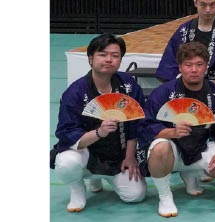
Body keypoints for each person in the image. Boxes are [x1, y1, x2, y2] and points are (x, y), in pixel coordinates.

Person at [52, 34, 147, 212]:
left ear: (120, 60)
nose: (109, 59)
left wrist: (130, 156)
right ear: (90, 58)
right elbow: (66, 132)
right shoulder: (75, 92)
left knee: (135, 195)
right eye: (102, 54)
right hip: (85, 153)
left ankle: (101, 177)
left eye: (115, 55)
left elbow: (136, 124)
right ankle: (77, 187)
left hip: (118, 156)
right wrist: (99, 133)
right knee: (66, 163)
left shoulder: (128, 85)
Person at [139, 42, 215, 217]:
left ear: (206, 66)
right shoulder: (163, 93)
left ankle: (191, 172)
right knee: (160, 148)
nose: (194, 70)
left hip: (200, 147)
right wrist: (172, 133)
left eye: (199, 64)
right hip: (172, 150)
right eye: (188, 65)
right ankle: (165, 196)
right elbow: (146, 125)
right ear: (180, 67)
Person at [155, 0, 215, 85]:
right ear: (195, 3)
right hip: (186, 82)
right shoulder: (184, 29)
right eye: (203, 5)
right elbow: (171, 59)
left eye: (212, 5)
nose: (208, 10)